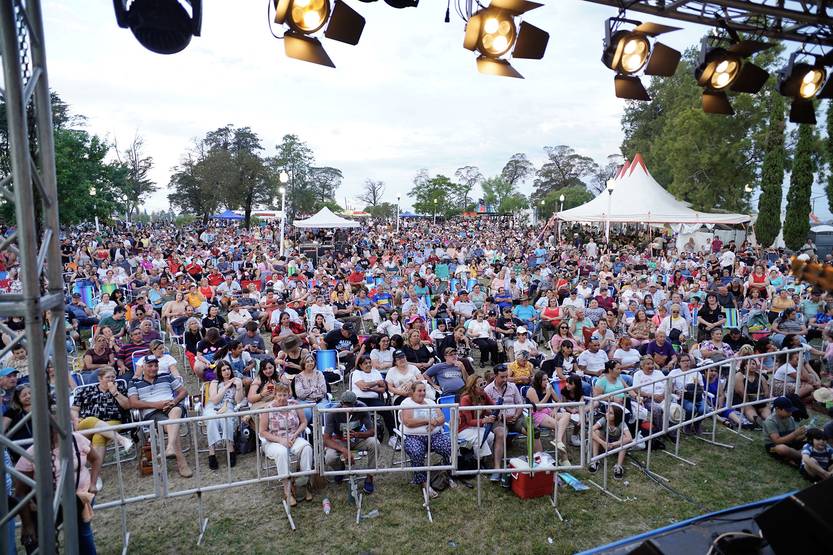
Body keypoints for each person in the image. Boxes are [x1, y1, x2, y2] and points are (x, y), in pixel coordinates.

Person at [15, 417, 101, 554]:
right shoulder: (32, 452)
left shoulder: (77, 440)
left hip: (80, 497)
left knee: (83, 535)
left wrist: (93, 483)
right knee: (43, 540)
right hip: (47, 506)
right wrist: (27, 524)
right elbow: (20, 492)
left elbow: (96, 459)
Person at [127, 355, 192, 477]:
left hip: (170, 406)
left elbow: (183, 391)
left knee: (177, 410)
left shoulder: (166, 376)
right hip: (152, 412)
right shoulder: (134, 382)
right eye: (150, 366)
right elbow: (133, 402)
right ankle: (181, 461)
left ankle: (170, 448)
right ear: (143, 367)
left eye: (156, 365)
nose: (154, 368)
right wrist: (156, 405)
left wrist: (174, 400)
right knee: (173, 425)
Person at [71, 367, 134, 489]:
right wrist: (75, 418)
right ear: (100, 378)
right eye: (108, 377)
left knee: (99, 436)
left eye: (113, 377)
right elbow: (74, 409)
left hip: (112, 421)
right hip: (85, 424)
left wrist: (115, 393)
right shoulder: (86, 390)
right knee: (91, 420)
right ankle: (121, 440)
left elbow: (127, 406)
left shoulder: (119, 388)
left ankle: (94, 479)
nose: (111, 380)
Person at [259, 383, 313, 506]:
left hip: (293, 437)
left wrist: (296, 434)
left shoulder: (294, 404)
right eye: (279, 395)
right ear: (274, 395)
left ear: (288, 394)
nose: (282, 398)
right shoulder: (268, 408)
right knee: (282, 453)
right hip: (273, 440)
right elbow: (262, 432)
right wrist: (280, 440)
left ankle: (304, 483)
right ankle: (287, 488)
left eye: (285, 395)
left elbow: (304, 422)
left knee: (307, 448)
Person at [400, 382, 454, 499]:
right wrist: (427, 420)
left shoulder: (431, 402)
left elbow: (442, 418)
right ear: (412, 392)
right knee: (416, 452)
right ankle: (423, 482)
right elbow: (408, 422)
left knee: (449, 446)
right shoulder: (407, 403)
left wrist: (434, 422)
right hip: (413, 437)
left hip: (434, 435)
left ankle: (445, 474)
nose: (423, 393)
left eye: (424, 390)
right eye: (419, 391)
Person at [323, 390, 379, 495]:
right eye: (346, 406)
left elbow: (372, 431)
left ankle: (369, 477)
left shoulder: (362, 407)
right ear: (341, 403)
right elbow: (326, 439)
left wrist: (358, 434)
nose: (349, 409)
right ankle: (340, 468)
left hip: (357, 438)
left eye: (351, 406)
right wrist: (344, 450)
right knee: (329, 457)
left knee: (374, 443)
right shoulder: (332, 413)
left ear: (356, 403)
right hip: (339, 440)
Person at [458, 375, 504, 478]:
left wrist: (497, 411)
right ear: (473, 386)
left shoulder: (483, 395)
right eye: (481, 384)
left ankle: (479, 460)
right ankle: (479, 462)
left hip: (476, 426)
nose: (484, 386)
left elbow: (493, 405)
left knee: (491, 436)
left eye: (484, 383)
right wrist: (484, 420)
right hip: (463, 428)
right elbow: (469, 421)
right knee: (480, 437)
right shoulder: (466, 399)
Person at [204, 360, 244, 470]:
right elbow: (215, 400)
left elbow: (238, 400)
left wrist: (239, 387)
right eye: (223, 370)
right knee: (211, 419)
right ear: (219, 372)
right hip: (212, 406)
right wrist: (225, 387)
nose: (226, 372)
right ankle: (211, 452)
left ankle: (230, 448)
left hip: (229, 406)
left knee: (226, 419)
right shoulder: (214, 382)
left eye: (228, 369)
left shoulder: (237, 381)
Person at [526, 370, 571, 460]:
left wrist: (555, 409)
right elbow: (538, 407)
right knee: (559, 425)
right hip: (537, 414)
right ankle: (564, 457)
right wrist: (547, 394)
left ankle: (558, 441)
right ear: (538, 381)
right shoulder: (532, 390)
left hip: (548, 411)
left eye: (547, 379)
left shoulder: (548, 388)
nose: (546, 381)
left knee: (566, 415)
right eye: (544, 380)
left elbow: (558, 401)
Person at [350, 355, 395, 441]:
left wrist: (370, 388)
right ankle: (358, 438)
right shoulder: (357, 373)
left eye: (370, 362)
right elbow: (363, 386)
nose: (369, 365)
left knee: (387, 411)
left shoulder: (376, 372)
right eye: (365, 363)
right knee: (360, 413)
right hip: (360, 399)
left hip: (374, 399)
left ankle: (392, 436)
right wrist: (376, 382)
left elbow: (383, 389)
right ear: (360, 365)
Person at [588, 404, 631, 479]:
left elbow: (630, 438)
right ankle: (595, 461)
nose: (607, 414)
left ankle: (618, 466)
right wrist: (603, 443)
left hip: (616, 447)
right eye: (607, 411)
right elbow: (590, 431)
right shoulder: (603, 419)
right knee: (596, 432)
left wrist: (614, 444)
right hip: (604, 444)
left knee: (624, 438)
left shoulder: (621, 423)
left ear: (616, 416)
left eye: (610, 413)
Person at [763, 396, 805, 464]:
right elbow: (777, 441)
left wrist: (805, 434)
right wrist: (795, 434)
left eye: (791, 411)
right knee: (781, 449)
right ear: (777, 409)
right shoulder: (771, 421)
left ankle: (794, 457)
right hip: (773, 447)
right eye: (788, 411)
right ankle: (802, 456)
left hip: (790, 444)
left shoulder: (790, 418)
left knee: (811, 441)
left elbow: (795, 439)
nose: (790, 413)